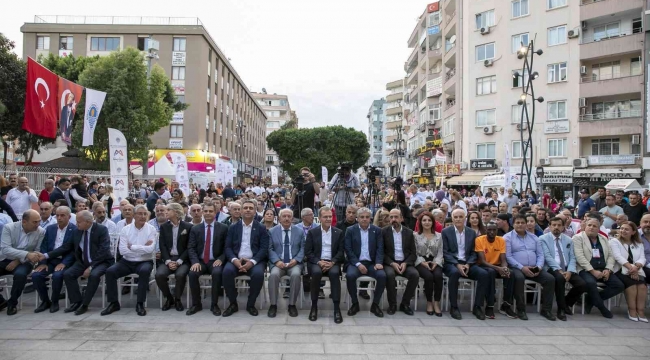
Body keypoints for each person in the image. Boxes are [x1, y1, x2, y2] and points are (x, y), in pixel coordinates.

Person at [44, 210, 113, 315]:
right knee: (68, 274)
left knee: (94, 275)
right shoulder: (77, 231)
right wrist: (47, 255)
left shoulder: (101, 229)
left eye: (79, 222)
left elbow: (103, 251)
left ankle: (85, 304)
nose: (76, 224)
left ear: (88, 222)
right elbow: (66, 246)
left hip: (101, 262)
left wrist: (91, 267)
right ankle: (76, 301)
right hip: (83, 261)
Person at [102, 205, 157, 317]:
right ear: (134, 215)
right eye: (140, 214)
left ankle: (140, 303)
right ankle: (114, 303)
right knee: (110, 271)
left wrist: (132, 247)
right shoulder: (125, 230)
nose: (142, 216)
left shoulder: (151, 229)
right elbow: (122, 251)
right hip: (127, 261)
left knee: (145, 271)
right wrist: (142, 247)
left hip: (144, 261)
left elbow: (150, 249)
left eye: (145, 214)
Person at [503, 215, 556, 321]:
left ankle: (546, 310)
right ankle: (521, 309)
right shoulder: (507, 237)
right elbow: (508, 257)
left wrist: (539, 267)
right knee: (519, 278)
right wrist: (522, 268)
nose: (520, 225)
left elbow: (541, 255)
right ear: (513, 224)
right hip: (516, 267)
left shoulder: (534, 237)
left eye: (522, 222)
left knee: (550, 279)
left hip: (534, 267)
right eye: (517, 223)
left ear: (526, 224)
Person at [442, 209, 492, 320]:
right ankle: (454, 307)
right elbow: (445, 252)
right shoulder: (446, 232)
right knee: (454, 274)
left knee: (483, 274)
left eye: (461, 217)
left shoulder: (471, 232)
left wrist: (469, 264)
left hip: (468, 263)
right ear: (453, 218)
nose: (458, 219)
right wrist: (456, 264)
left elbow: (474, 252)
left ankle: (477, 307)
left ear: (465, 218)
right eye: (456, 217)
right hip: (452, 264)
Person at [222, 199, 269, 317]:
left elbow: (264, 248)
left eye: (251, 208)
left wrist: (252, 262)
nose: (248, 210)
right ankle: (233, 303)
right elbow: (227, 247)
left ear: (255, 212)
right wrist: (235, 260)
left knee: (258, 274)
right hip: (236, 260)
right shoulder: (233, 227)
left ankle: (251, 304)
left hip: (254, 261)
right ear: (241, 211)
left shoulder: (261, 228)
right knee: (227, 272)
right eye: (245, 208)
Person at [573, 217, 624, 318]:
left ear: (599, 228)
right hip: (585, 269)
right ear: (585, 226)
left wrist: (608, 269)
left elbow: (610, 255)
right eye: (589, 225)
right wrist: (593, 271)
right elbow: (579, 257)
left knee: (619, 285)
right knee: (591, 283)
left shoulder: (603, 238)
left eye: (594, 226)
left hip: (603, 269)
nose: (591, 228)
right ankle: (601, 307)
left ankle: (590, 299)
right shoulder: (577, 238)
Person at [186, 201, 229, 316]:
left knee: (217, 273)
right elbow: (191, 247)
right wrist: (194, 261)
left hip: (215, 260)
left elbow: (227, 247)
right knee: (192, 273)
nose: (208, 213)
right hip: (200, 261)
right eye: (205, 211)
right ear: (202, 213)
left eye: (211, 211)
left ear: (216, 212)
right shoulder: (195, 229)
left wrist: (221, 259)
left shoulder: (223, 228)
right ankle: (196, 304)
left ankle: (214, 304)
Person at [540, 217, 587, 321]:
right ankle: (561, 310)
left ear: (563, 227)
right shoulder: (543, 239)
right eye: (554, 225)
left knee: (582, 284)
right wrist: (558, 270)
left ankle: (566, 303)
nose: (556, 227)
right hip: (551, 268)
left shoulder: (569, 240)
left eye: (559, 225)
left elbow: (572, 257)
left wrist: (570, 271)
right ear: (550, 226)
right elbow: (547, 257)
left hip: (567, 268)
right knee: (560, 278)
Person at [0, 209, 46, 315]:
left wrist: (18, 260)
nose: (38, 224)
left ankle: (12, 303)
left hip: (25, 262)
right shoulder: (9, 228)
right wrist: (26, 254)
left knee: (20, 275)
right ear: (24, 222)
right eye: (35, 222)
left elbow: (37, 252)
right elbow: (5, 249)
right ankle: (1, 301)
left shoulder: (40, 231)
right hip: (5, 258)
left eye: (39, 221)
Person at [32, 206, 77, 313]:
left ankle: (55, 301)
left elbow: (73, 250)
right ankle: (45, 301)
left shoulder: (74, 230)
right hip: (50, 260)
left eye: (62, 215)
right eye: (57, 215)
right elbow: (44, 246)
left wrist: (64, 263)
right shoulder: (50, 228)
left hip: (65, 261)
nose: (59, 218)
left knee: (57, 276)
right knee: (36, 275)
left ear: (69, 217)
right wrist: (43, 262)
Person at [305, 206, 344, 323]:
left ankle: (337, 308)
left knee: (335, 274)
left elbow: (341, 251)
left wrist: (332, 262)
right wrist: (319, 261)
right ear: (320, 218)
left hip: (332, 261)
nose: (328, 219)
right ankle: (314, 306)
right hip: (317, 261)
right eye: (325, 217)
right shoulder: (312, 232)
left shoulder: (339, 232)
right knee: (316, 273)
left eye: (330, 216)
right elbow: (308, 251)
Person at [344, 207, 385, 317]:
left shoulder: (377, 230)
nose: (364, 219)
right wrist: (358, 264)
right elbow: (348, 249)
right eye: (362, 217)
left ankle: (375, 304)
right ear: (357, 218)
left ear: (370, 218)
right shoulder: (350, 230)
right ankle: (355, 303)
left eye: (367, 217)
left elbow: (380, 248)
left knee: (382, 275)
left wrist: (378, 262)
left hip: (372, 263)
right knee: (350, 275)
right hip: (356, 263)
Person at [267, 209, 305, 318]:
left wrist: (296, 260)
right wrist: (277, 261)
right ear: (279, 218)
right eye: (284, 216)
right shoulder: (272, 231)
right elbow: (269, 248)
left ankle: (292, 305)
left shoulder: (299, 231)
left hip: (294, 263)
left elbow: (303, 248)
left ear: (292, 219)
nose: (287, 218)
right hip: (278, 263)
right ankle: (273, 305)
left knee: (296, 275)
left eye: (289, 216)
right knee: (273, 275)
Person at [155, 203, 193, 312]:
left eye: (168, 210)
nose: (165, 212)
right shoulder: (164, 227)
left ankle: (177, 299)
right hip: (168, 258)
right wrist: (167, 261)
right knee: (159, 275)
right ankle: (169, 298)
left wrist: (180, 261)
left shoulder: (188, 227)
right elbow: (162, 246)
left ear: (176, 212)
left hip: (183, 259)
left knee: (180, 275)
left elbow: (189, 247)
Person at [382, 209, 419, 316]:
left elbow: (413, 253)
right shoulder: (383, 232)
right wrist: (391, 263)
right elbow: (381, 252)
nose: (394, 219)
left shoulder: (409, 232)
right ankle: (392, 304)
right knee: (389, 275)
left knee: (415, 275)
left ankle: (405, 304)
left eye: (396, 217)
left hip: (405, 262)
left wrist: (406, 263)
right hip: (390, 262)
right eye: (391, 217)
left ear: (401, 218)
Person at [609, 221, 647, 322]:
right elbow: (618, 257)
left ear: (633, 232)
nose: (623, 231)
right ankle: (632, 310)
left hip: (636, 270)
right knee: (632, 285)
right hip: (620, 270)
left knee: (642, 286)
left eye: (626, 229)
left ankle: (641, 311)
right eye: (621, 228)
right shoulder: (614, 241)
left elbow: (643, 258)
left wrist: (636, 267)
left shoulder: (639, 243)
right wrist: (631, 268)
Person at [474, 221, 511, 319]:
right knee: (490, 272)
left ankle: (507, 304)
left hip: (497, 266)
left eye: (494, 230)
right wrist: (498, 268)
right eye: (489, 230)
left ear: (497, 230)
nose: (491, 232)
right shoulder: (479, 240)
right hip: (484, 266)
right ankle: (490, 305)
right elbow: (482, 261)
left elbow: (503, 259)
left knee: (512, 274)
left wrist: (504, 268)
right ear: (485, 230)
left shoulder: (501, 240)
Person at [414, 211, 444, 316]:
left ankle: (436, 302)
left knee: (438, 276)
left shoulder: (439, 236)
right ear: (420, 222)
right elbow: (414, 252)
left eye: (429, 220)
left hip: (435, 260)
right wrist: (422, 262)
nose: (427, 222)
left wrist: (436, 262)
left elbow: (441, 252)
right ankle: (429, 302)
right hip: (420, 261)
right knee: (428, 276)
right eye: (424, 220)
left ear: (433, 222)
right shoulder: (415, 236)